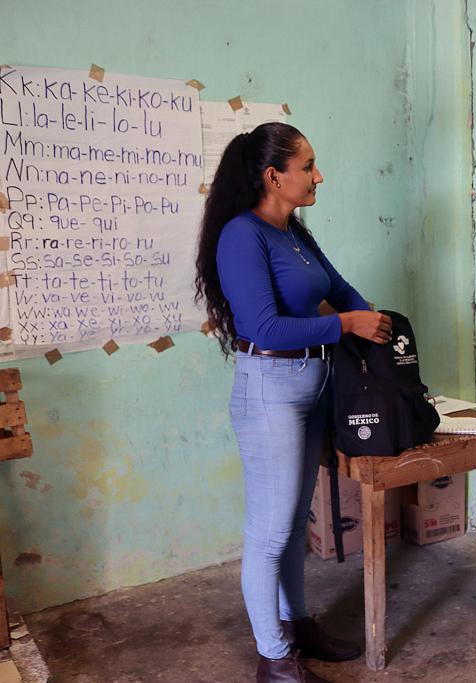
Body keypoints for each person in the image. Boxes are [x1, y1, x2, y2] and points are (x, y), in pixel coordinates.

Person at [194, 122, 391, 683]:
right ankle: (274, 658)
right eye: (307, 166)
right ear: (272, 175)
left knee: (294, 521)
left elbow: (340, 287)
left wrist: (363, 312)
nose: (318, 176)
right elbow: (263, 327)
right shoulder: (242, 235)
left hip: (311, 389)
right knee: (269, 533)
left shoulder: (294, 233)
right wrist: (346, 324)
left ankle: (298, 626)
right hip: (270, 393)